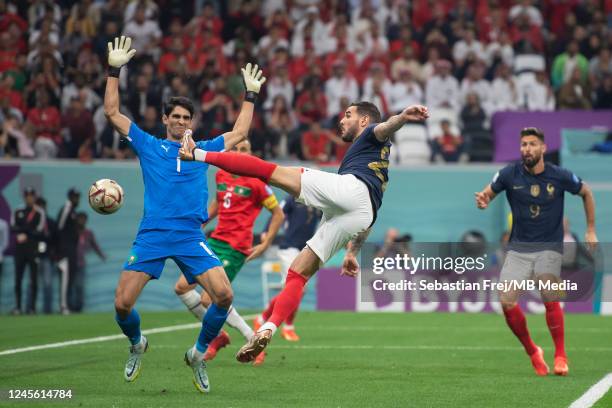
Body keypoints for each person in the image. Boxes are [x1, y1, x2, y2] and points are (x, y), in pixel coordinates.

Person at [180, 101, 429, 362]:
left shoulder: (371, 132)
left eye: (348, 115)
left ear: (364, 121)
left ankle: (197, 153)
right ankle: (268, 327)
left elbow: (386, 127)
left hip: (349, 190)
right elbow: (367, 221)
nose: (342, 120)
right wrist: (351, 253)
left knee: (269, 171)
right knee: (298, 273)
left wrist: (402, 116)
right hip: (364, 213)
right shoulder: (375, 160)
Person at [104, 36, 265, 393]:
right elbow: (113, 114)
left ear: (192, 122)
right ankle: (136, 344)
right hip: (153, 234)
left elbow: (240, 132)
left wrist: (250, 94)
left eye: (186, 117)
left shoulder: (205, 150)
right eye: (175, 116)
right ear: (165, 120)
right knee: (121, 304)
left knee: (224, 296)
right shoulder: (149, 145)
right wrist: (114, 71)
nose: (180, 121)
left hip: (191, 236)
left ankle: (197, 353)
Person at [475, 127, 598, 377]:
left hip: (549, 248)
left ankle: (561, 355)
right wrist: (484, 199)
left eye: (532, 144)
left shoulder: (559, 176)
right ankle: (533, 351)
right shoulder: (509, 174)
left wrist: (591, 230)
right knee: (506, 301)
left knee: (549, 293)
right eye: (523, 144)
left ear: (542, 148)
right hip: (519, 248)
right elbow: (488, 192)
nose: (527, 149)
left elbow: (586, 192)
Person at [174, 139, 284, 363]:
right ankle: (218, 335)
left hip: (236, 247)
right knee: (182, 288)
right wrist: (201, 222)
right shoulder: (221, 175)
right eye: (235, 149)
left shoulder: (257, 182)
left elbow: (278, 214)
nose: (239, 152)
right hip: (214, 241)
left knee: (209, 299)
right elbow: (218, 202)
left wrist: (264, 244)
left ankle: (252, 341)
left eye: (244, 149)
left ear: (251, 153)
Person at [253, 195, 322, 346]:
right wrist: (266, 230)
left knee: (291, 291)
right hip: (288, 248)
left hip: (305, 250)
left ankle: (261, 319)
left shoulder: (318, 201)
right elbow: (278, 212)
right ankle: (288, 327)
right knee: (298, 289)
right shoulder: (293, 198)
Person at [10, 187, 46, 315]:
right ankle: (18, 307)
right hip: (20, 250)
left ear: (34, 197)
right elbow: (12, 227)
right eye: (27, 195)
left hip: (33, 249)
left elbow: (40, 231)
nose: (29, 198)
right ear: (24, 197)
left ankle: (32, 308)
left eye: (31, 195)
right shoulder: (18, 210)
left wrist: (25, 232)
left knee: (33, 279)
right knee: (18, 279)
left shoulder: (39, 212)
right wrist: (24, 232)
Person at [56, 187, 81, 315]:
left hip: (71, 251)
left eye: (78, 197)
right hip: (65, 251)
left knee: (70, 279)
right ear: (70, 197)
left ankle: (67, 304)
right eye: (75, 197)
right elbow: (58, 228)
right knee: (65, 280)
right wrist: (60, 251)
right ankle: (63, 306)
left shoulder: (73, 211)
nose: (77, 199)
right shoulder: (66, 208)